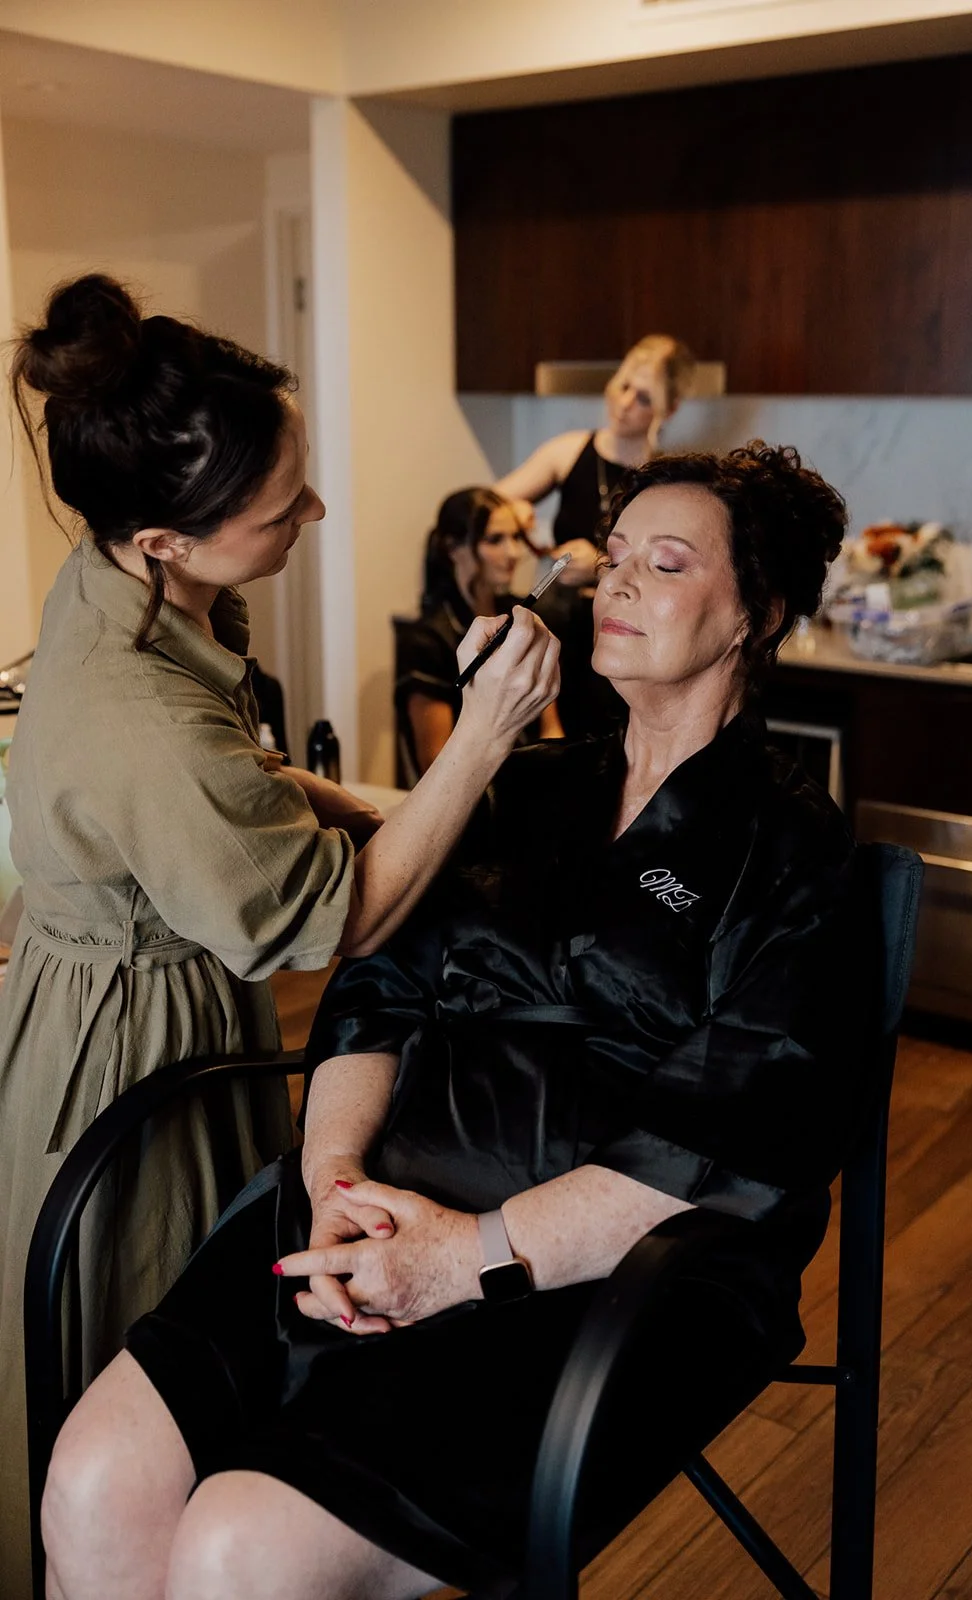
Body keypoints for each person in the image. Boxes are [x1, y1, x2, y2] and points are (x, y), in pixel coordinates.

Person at [42, 444, 870, 1600]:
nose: (619, 581)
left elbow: (722, 1138)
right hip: (369, 1210)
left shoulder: (793, 850)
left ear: (758, 614)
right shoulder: (518, 789)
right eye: (614, 555)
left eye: (668, 562)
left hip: (604, 1275)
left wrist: (461, 1257)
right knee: (92, 1482)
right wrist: (333, 1176)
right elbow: (374, 995)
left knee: (241, 1545)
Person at [0, 274, 559, 1599]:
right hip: (127, 1061)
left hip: (116, 990)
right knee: (145, 1374)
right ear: (164, 540)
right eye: (282, 506)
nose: (314, 514)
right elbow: (337, 920)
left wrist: (338, 801)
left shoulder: (121, 591)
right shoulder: (139, 714)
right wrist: (479, 741)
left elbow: (226, 780)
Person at [494, 333, 697, 737]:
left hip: (627, 638)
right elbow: (484, 506)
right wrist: (513, 513)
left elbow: (672, 573)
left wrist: (600, 567)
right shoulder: (568, 451)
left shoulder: (667, 480)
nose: (625, 403)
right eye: (623, 386)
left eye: (644, 398)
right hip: (558, 630)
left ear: (669, 409)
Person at [394, 487, 564, 783]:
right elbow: (435, 764)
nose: (513, 552)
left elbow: (550, 726)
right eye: (495, 540)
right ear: (452, 548)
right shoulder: (428, 639)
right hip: (470, 791)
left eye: (515, 537)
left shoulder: (521, 617)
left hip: (535, 781)